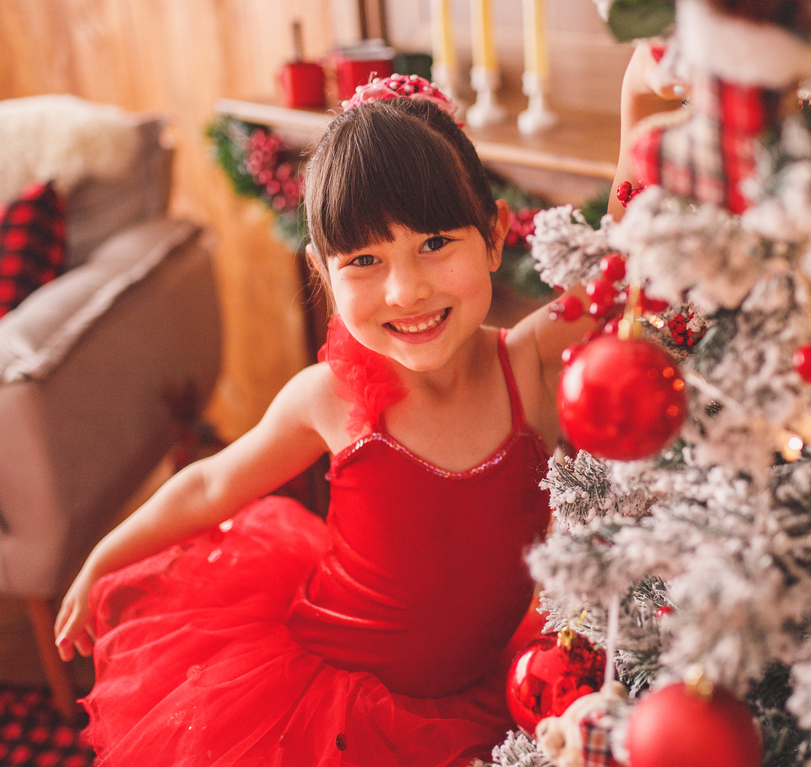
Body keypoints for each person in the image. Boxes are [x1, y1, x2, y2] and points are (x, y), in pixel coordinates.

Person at [53, 48, 684, 767]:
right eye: (365, 261)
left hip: (479, 688)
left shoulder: (528, 364)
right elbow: (210, 483)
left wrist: (640, 101)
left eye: (436, 243)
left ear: (496, 236)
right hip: (325, 702)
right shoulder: (335, 398)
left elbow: (624, 264)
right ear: (322, 270)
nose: (405, 291)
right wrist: (106, 554)